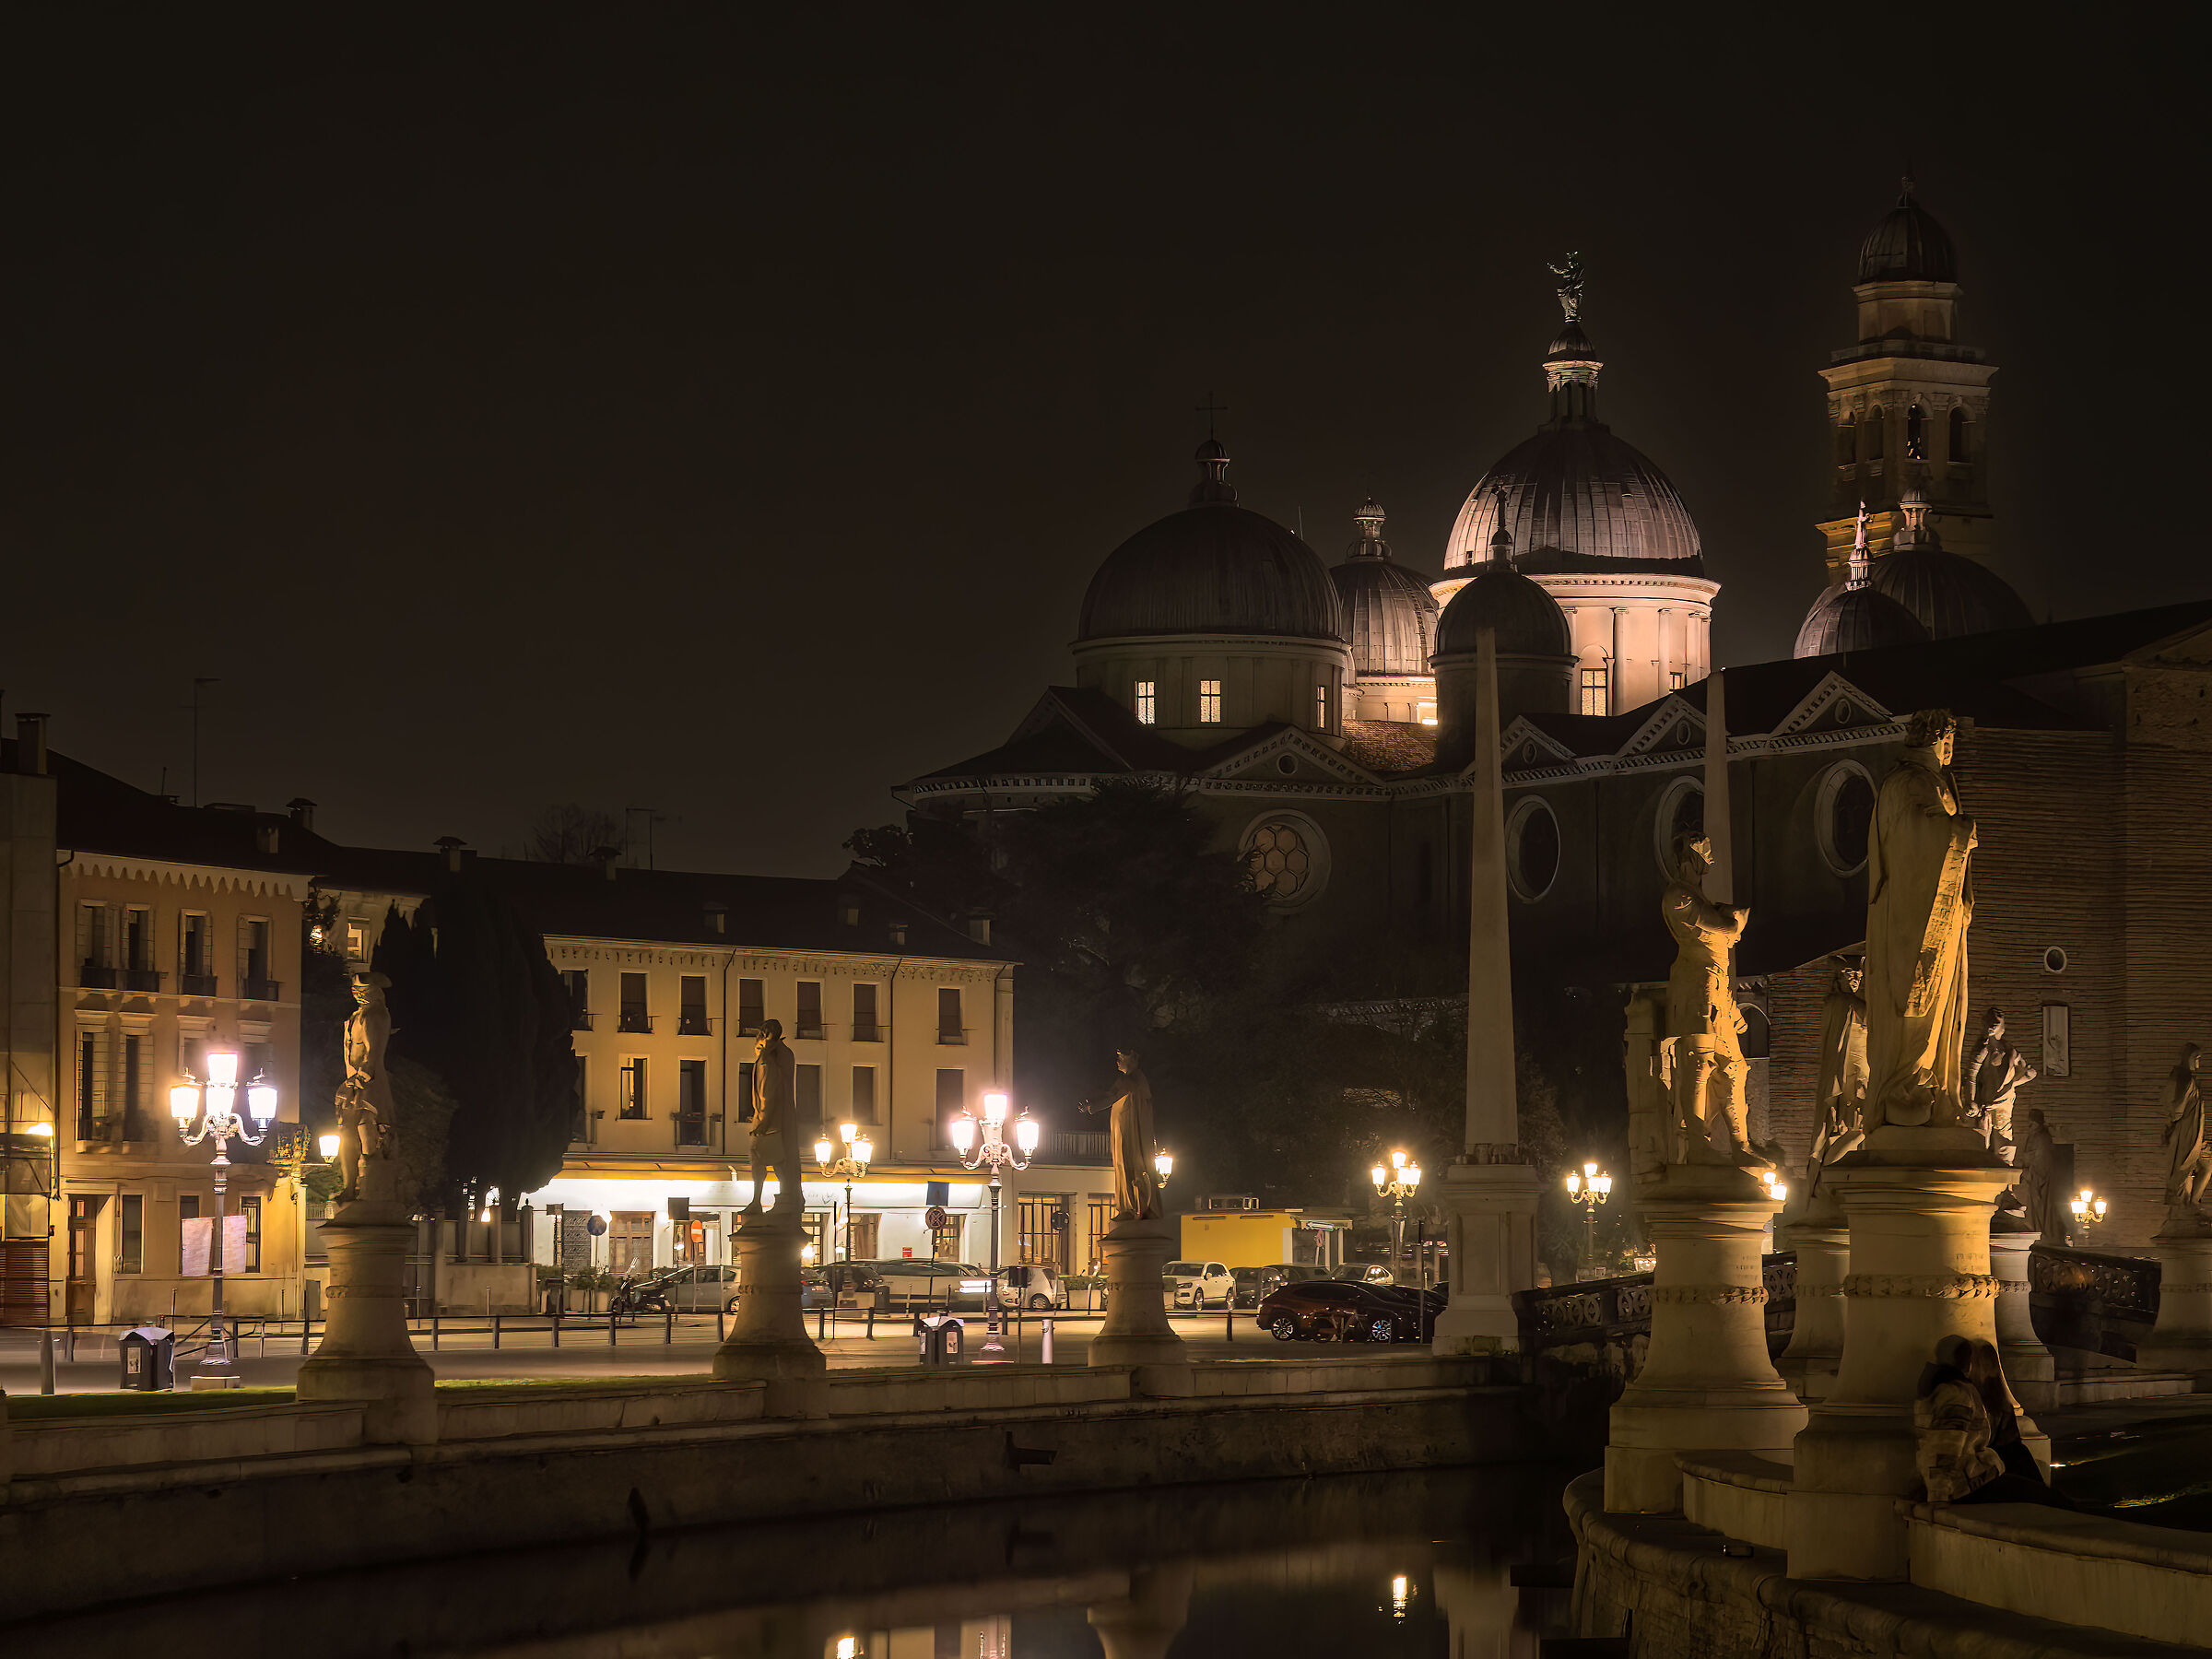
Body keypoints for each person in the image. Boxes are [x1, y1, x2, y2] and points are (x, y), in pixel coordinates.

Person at [1865, 711, 1977, 1131]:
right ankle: (1907, 1082)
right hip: (1912, 916)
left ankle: (1933, 1085)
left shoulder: (1932, 783)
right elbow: (1913, 834)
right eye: (1951, 741)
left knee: (1940, 999)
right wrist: (1953, 833)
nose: (1952, 750)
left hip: (1941, 913)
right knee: (1918, 993)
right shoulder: (1909, 783)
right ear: (1941, 739)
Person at [1080, 1047, 1161, 1221]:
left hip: (1129, 1131)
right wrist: (1092, 1102)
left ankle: (1131, 1207)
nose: (1117, 1061)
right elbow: (1110, 1093)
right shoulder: (1134, 1079)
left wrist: (1092, 1108)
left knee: (1126, 1164)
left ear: (1131, 1060)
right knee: (1125, 1164)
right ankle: (1132, 1206)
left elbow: (1112, 1097)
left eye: (1121, 1058)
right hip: (1127, 1128)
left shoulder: (1132, 1079)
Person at [742, 1018, 800, 1218]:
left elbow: (767, 1093)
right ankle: (786, 1197)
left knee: (760, 1160)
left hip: (767, 1121)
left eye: (759, 1041)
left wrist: (763, 1122)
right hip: (775, 1120)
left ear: (765, 1038)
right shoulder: (783, 1055)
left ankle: (759, 1201)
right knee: (778, 1161)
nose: (756, 1047)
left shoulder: (766, 1061)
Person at [2162, 1043, 2211, 1210]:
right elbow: (2177, 1107)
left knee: (2206, 1165)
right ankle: (2186, 1205)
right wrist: (2173, 1123)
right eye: (2196, 1058)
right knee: (2186, 1167)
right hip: (2187, 1132)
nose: (2198, 1062)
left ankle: (2192, 1202)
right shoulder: (2185, 1079)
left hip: (2196, 1132)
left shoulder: (2189, 1078)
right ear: (2188, 1058)